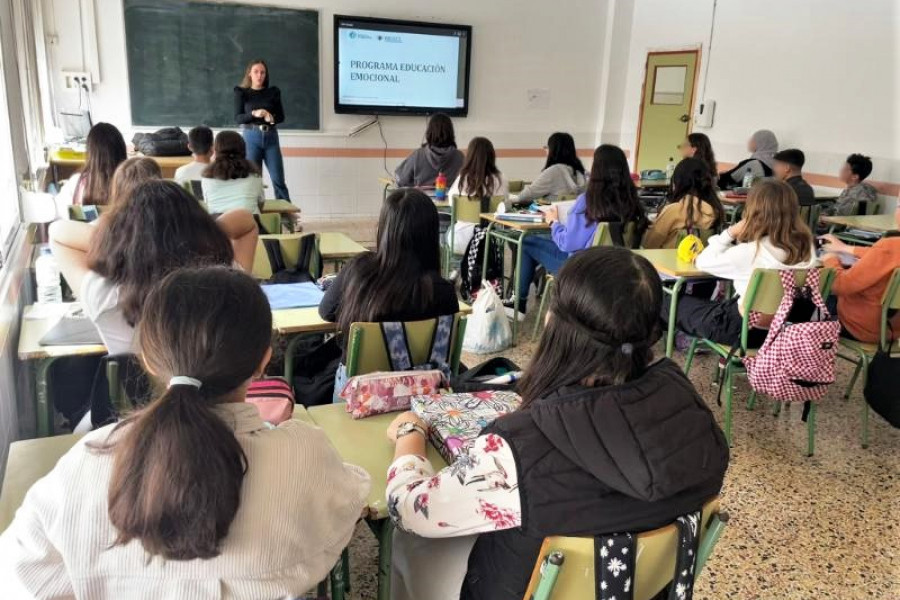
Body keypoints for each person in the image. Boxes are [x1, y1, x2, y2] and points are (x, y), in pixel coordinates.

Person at [0, 267, 370, 598]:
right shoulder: (302, 454)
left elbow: (17, 579)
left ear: (146, 358)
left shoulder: (87, 461)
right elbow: (349, 505)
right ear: (263, 361)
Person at [384, 246, 729, 600]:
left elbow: (408, 508)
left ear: (554, 325)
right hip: (640, 589)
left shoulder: (513, 450)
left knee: (409, 538)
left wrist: (410, 432)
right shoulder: (694, 417)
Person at [49, 180, 259, 356]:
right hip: (221, 403)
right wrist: (204, 235)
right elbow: (246, 221)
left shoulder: (105, 295)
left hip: (139, 405)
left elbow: (57, 232)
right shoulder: (229, 282)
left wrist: (120, 244)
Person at [319, 188, 459, 393]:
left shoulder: (358, 270)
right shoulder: (444, 292)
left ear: (384, 228)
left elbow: (326, 311)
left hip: (359, 397)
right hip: (422, 396)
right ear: (431, 235)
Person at [662, 179, 817, 347]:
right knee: (705, 306)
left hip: (743, 332)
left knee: (666, 300)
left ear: (754, 212)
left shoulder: (751, 252)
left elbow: (703, 262)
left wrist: (729, 233)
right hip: (785, 334)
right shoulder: (807, 249)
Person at [508, 144, 647, 317]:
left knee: (526, 241)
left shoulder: (588, 202)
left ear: (596, 169)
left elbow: (567, 244)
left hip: (581, 269)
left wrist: (554, 222)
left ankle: (518, 303)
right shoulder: (633, 203)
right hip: (618, 269)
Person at [819, 198, 900, 342]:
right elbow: (882, 255)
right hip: (894, 328)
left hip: (864, 328)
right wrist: (847, 248)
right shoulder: (890, 249)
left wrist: (830, 259)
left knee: (819, 291)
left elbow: (840, 286)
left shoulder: (889, 246)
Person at [234, 59, 290, 200]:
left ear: (266, 75)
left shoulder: (273, 92)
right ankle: (255, 215)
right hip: (251, 137)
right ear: (250, 74)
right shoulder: (241, 92)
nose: (259, 75)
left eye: (262, 72)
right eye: (256, 72)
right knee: (253, 180)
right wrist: (253, 113)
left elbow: (281, 117)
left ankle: (287, 217)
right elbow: (238, 118)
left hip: (271, 137)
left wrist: (271, 118)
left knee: (278, 180)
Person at [642, 157, 726, 249]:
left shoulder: (674, 210)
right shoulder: (717, 211)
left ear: (678, 182)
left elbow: (649, 244)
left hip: (668, 262)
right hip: (701, 262)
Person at [447, 136, 509, 254]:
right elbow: (504, 206)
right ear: (492, 156)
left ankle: (456, 269)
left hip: (460, 239)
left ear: (469, 156)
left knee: (447, 231)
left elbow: (452, 204)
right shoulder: (501, 179)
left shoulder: (463, 179)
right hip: (490, 240)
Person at [55, 122, 127, 217]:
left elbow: (61, 211)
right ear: (121, 150)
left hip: (84, 231)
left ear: (90, 153)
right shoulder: (130, 183)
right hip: (119, 231)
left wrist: (84, 213)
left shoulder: (76, 182)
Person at [201, 130, 265, 214]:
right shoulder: (255, 176)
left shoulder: (207, 177)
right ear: (243, 150)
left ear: (215, 151)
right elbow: (260, 202)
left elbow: (207, 202)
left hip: (217, 224)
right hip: (249, 223)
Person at [513, 132, 587, 204]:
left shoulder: (554, 171)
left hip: (554, 214)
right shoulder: (580, 172)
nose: (546, 150)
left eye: (547, 147)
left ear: (553, 149)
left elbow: (525, 196)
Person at [395, 113, 465, 187]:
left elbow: (401, 181)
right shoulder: (460, 157)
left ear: (429, 132)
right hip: (448, 198)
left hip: (421, 198)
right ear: (451, 132)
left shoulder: (418, 155)